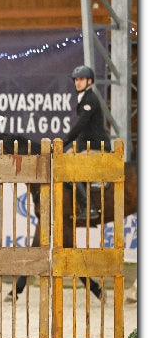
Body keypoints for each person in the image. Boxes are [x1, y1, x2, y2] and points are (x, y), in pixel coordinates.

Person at [63, 65, 111, 222]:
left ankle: (89, 208)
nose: (78, 82)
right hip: (87, 146)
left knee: (70, 171)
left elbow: (81, 124)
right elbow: (85, 131)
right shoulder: (84, 97)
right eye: (76, 80)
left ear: (89, 81)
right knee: (62, 161)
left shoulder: (90, 98)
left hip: (97, 148)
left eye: (81, 79)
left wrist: (64, 141)